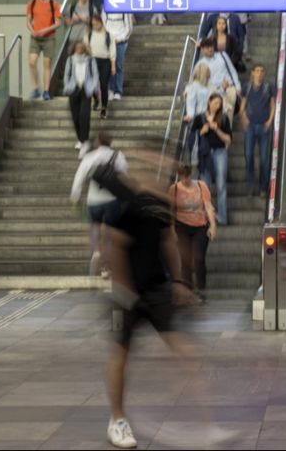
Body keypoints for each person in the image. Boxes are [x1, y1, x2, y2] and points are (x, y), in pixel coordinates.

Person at [100, 158, 199, 450]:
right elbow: (113, 247)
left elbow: (168, 240)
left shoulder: (158, 204)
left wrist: (179, 281)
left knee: (184, 351)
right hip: (127, 294)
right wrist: (124, 290)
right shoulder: (124, 205)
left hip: (156, 288)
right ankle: (117, 420)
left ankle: (207, 423)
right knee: (121, 354)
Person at [70, 132, 128, 278]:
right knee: (109, 234)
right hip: (111, 200)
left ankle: (96, 252)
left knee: (94, 228)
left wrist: (75, 198)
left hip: (93, 201)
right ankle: (105, 267)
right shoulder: (117, 156)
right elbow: (125, 176)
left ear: (98, 142)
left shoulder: (90, 157)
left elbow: (79, 177)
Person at [169, 164, 217, 297]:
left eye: (187, 177)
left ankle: (201, 289)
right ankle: (188, 290)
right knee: (185, 261)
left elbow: (208, 206)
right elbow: (171, 211)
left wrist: (213, 226)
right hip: (181, 226)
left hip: (200, 226)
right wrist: (172, 230)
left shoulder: (201, 186)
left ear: (191, 175)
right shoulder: (174, 189)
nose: (185, 180)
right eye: (182, 177)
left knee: (199, 258)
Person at [191, 94, 232, 225]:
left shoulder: (224, 119)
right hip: (205, 154)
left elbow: (228, 140)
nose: (218, 105)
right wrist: (202, 131)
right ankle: (205, 216)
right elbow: (191, 137)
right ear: (209, 102)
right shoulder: (199, 118)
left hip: (220, 152)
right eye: (215, 102)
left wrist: (217, 129)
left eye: (219, 103)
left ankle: (222, 217)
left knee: (221, 184)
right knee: (205, 186)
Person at [240, 64, 275, 197]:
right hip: (250, 126)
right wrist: (243, 118)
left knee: (264, 159)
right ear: (252, 73)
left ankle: (263, 187)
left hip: (263, 126)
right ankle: (250, 185)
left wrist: (270, 121)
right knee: (248, 156)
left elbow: (272, 105)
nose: (260, 73)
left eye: (262, 71)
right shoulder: (246, 87)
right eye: (257, 71)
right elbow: (242, 105)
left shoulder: (268, 87)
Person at [26, 0, 62, 102]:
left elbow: (58, 23)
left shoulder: (54, 4)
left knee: (46, 64)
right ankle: (36, 89)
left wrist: (45, 30)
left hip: (49, 38)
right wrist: (33, 31)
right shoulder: (32, 3)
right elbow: (28, 21)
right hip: (35, 37)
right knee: (32, 62)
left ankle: (46, 91)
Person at [63, 41, 100, 158]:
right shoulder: (70, 60)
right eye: (77, 47)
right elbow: (66, 75)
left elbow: (95, 74)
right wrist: (68, 86)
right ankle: (80, 139)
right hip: (73, 90)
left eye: (81, 47)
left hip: (86, 89)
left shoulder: (90, 60)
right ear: (74, 48)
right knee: (75, 116)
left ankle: (84, 141)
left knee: (84, 115)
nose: (79, 49)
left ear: (84, 48)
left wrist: (93, 87)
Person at [196, 37, 241, 123]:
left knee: (227, 116)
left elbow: (232, 71)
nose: (210, 49)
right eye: (207, 47)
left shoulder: (222, 55)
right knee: (215, 118)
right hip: (213, 92)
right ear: (202, 49)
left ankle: (228, 132)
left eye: (211, 46)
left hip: (228, 88)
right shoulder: (200, 64)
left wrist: (238, 88)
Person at [182, 63, 216, 166]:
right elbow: (191, 103)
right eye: (207, 72)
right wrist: (190, 114)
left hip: (208, 118)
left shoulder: (208, 86)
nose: (209, 75)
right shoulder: (193, 87)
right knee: (198, 144)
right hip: (198, 120)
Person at [86, 14, 116, 120]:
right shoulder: (89, 34)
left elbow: (112, 50)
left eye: (96, 24)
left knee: (103, 84)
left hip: (105, 61)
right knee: (93, 84)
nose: (95, 26)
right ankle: (97, 100)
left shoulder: (108, 35)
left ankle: (104, 108)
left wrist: (113, 66)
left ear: (101, 22)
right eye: (93, 25)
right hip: (93, 60)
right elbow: (86, 48)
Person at [104, 11, 133, 102]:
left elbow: (129, 28)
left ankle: (118, 91)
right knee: (109, 66)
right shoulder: (106, 7)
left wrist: (119, 39)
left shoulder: (125, 10)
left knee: (118, 65)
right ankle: (110, 89)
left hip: (121, 42)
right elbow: (103, 23)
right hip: (108, 41)